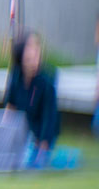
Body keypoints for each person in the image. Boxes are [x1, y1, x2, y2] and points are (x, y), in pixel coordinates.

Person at [4, 32, 67, 168]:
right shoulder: (16, 75)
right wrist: (5, 132)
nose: (34, 52)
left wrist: (43, 144)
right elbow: (10, 106)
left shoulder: (46, 81)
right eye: (30, 47)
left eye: (36, 48)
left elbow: (49, 116)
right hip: (24, 131)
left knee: (33, 165)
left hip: (42, 134)